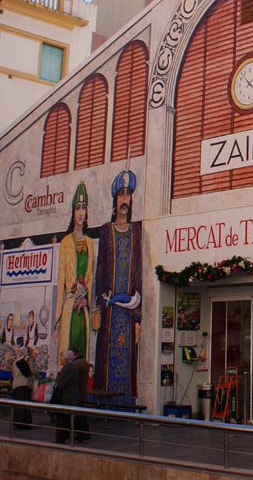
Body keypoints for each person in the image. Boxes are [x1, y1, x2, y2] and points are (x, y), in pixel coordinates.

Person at [93, 169, 143, 406]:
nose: (125, 199)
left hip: (128, 307)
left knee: (128, 356)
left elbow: (139, 268)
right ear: (115, 199)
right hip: (110, 308)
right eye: (121, 194)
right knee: (106, 355)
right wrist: (100, 302)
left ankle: (125, 402)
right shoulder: (106, 230)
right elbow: (101, 268)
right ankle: (105, 401)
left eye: (128, 194)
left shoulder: (136, 231)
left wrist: (138, 314)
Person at [55, 182, 94, 366]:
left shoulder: (90, 242)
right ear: (73, 211)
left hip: (82, 308)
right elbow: (61, 280)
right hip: (70, 307)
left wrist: (87, 300)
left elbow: (90, 277)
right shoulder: (65, 242)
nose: (81, 212)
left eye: (84, 207)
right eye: (78, 207)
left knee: (82, 354)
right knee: (67, 353)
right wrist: (58, 319)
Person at [52, 349, 84, 443]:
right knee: (66, 420)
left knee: (62, 420)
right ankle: (65, 436)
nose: (60, 360)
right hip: (70, 398)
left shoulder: (68, 369)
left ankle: (60, 439)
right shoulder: (72, 368)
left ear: (66, 359)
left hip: (66, 398)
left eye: (62, 358)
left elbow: (60, 383)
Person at [12, 346, 37, 429]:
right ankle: (24, 423)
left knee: (17, 405)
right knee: (25, 405)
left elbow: (13, 373)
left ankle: (17, 423)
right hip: (25, 384)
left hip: (16, 384)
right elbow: (33, 371)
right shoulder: (29, 359)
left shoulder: (16, 360)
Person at [69, 346, 90, 440]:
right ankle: (84, 432)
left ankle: (81, 433)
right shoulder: (84, 361)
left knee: (78, 414)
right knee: (81, 412)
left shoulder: (76, 364)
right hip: (82, 389)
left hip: (77, 391)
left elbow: (73, 378)